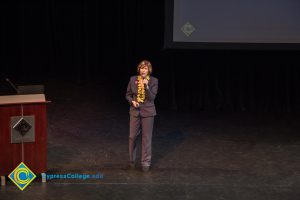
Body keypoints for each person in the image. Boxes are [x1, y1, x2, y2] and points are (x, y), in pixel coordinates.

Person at [125, 60, 158, 172]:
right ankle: (132, 161)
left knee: (146, 138)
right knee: (132, 137)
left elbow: (152, 97)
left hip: (148, 112)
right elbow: (128, 95)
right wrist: (132, 101)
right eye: (141, 68)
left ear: (149, 70)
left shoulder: (154, 81)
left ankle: (145, 163)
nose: (143, 70)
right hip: (135, 111)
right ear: (139, 69)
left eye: (145, 68)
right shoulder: (133, 79)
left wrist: (146, 86)